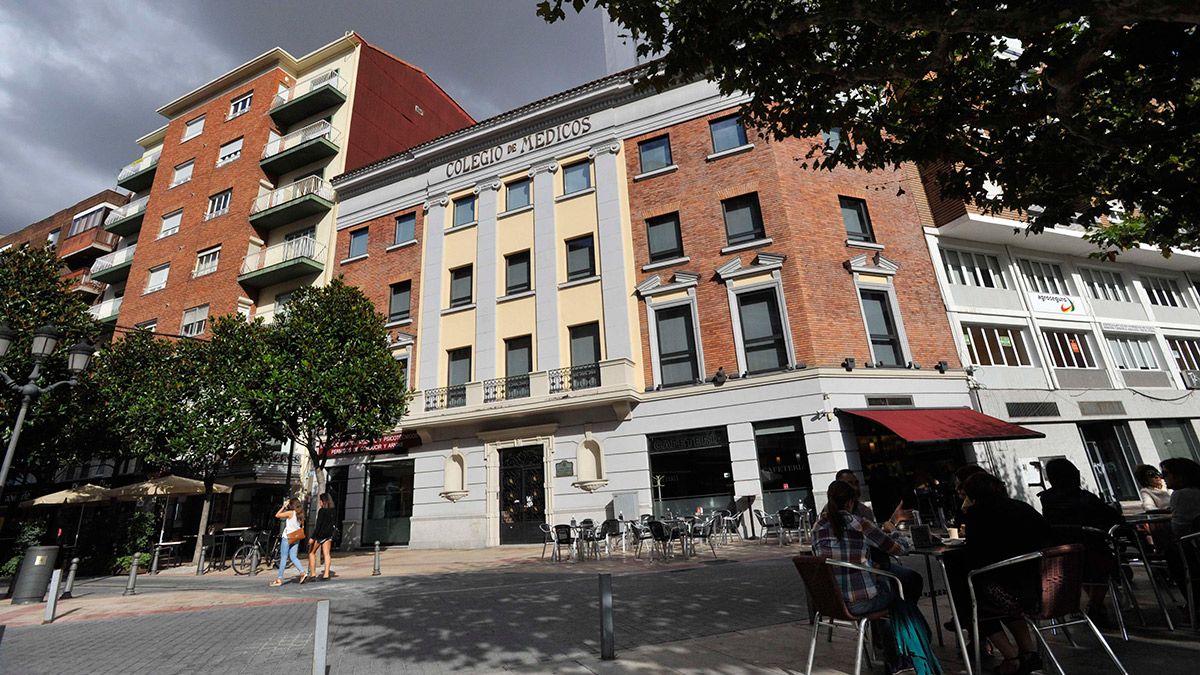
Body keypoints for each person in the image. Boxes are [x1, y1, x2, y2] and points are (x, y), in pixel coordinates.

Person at [813, 480, 935, 674]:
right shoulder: (859, 524)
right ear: (851, 502)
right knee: (896, 594)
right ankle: (903, 654)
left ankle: (898, 650)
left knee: (887, 585)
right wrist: (896, 533)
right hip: (859, 602)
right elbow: (898, 549)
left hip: (831, 602)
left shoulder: (818, 526)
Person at [957, 472, 1049, 675]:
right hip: (1042, 586)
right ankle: (1028, 653)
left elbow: (976, 554)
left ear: (971, 495)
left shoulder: (978, 514)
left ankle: (1011, 657)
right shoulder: (1022, 507)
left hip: (1011, 592)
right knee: (988, 593)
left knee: (967, 600)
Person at [1037, 458, 1124, 625]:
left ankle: (1090, 605)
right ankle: (1095, 604)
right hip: (1092, 549)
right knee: (1101, 564)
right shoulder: (1086, 497)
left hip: (1063, 554)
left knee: (1081, 566)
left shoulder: (1046, 499)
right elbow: (1114, 518)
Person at [272, 497, 308, 586]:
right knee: (293, 557)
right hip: (296, 538)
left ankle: (279, 579)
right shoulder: (301, 514)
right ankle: (302, 572)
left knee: (284, 558)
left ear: (291, 505)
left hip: (287, 537)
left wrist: (283, 506)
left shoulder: (290, 513)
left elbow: (277, 515)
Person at [1162, 457, 1200, 537]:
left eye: (1165, 474)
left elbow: (1179, 529)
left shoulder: (1180, 495)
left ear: (1180, 476)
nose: (1162, 477)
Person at [307, 493, 337, 580]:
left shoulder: (322, 511)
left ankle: (313, 574)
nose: (319, 502)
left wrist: (312, 538)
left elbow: (318, 526)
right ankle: (326, 574)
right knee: (327, 554)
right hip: (328, 535)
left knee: (311, 553)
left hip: (320, 536)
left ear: (323, 501)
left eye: (320, 500)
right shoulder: (333, 510)